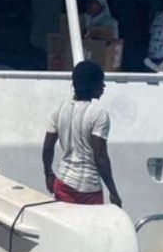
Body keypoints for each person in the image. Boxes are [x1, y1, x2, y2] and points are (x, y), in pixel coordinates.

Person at [42, 61, 121, 207]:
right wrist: (113, 192)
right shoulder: (99, 114)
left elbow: (47, 147)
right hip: (88, 190)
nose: (103, 86)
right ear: (92, 85)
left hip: (62, 183)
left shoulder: (59, 109)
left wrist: (48, 174)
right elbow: (100, 156)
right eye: (101, 82)